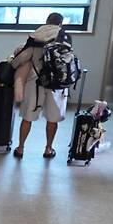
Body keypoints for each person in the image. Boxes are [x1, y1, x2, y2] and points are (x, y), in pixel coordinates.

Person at [11, 12, 73, 160]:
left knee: (28, 117)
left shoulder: (36, 35)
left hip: (35, 82)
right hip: (57, 85)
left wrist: (12, 65)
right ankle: (48, 148)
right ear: (60, 24)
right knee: (52, 119)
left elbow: (23, 57)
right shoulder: (64, 37)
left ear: (46, 21)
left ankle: (20, 148)